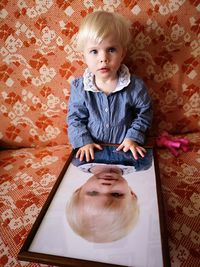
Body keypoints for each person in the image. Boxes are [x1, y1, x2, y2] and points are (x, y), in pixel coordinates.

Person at [67, 11, 152, 162]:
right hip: (92, 152)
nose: (103, 59)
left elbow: (144, 113)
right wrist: (84, 142)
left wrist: (133, 137)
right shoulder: (80, 87)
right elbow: (75, 119)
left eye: (111, 50)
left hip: (125, 150)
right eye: (94, 51)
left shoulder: (135, 86)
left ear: (122, 54)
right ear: (84, 56)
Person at [66, 164, 139, 243]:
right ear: (132, 194)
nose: (106, 186)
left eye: (93, 193)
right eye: (116, 194)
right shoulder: (139, 163)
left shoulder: (79, 159)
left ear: (79, 190)